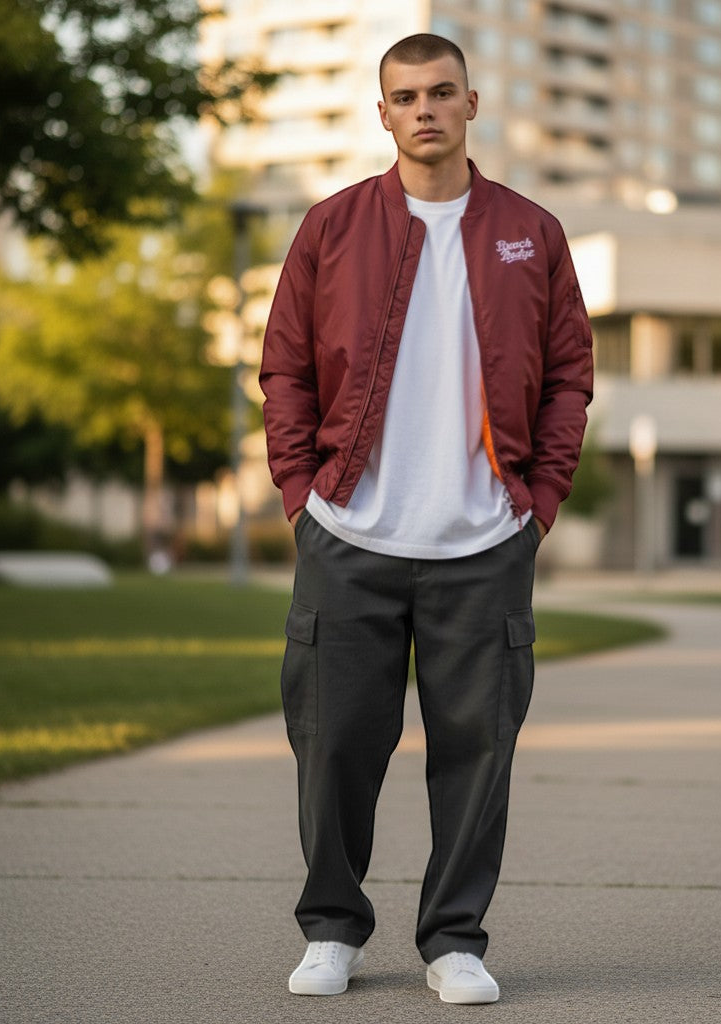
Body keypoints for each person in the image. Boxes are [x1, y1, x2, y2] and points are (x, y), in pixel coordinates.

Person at [259, 32, 593, 1004]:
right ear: (383, 114)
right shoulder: (331, 227)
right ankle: (332, 928)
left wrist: (536, 505)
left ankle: (454, 940)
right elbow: (284, 368)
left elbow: (569, 376)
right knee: (332, 744)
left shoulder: (531, 231)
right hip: (348, 536)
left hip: (484, 541)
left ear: (471, 104)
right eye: (405, 97)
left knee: (478, 752)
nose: (425, 110)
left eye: (442, 92)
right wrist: (301, 496)